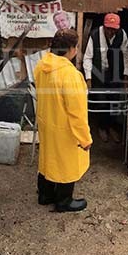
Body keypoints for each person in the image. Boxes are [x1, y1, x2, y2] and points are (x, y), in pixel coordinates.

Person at [33, 29, 92, 212]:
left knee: (48, 159)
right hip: (65, 129)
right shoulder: (71, 75)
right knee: (67, 163)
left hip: (46, 122)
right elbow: (77, 113)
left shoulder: (42, 67)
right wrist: (84, 138)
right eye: (76, 47)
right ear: (70, 49)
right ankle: (64, 200)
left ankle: (45, 195)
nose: (76, 50)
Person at [83, 13, 128, 143]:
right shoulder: (94, 35)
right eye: (108, 29)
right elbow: (87, 58)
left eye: (113, 29)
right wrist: (88, 79)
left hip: (115, 73)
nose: (111, 32)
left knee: (114, 101)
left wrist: (126, 76)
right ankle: (102, 127)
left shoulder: (122, 35)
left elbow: (127, 56)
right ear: (104, 26)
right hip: (99, 72)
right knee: (101, 101)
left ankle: (111, 127)